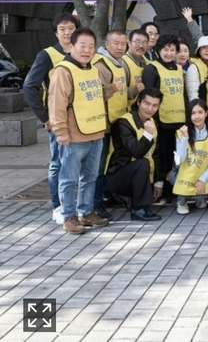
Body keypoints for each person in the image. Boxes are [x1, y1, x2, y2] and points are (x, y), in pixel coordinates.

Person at [48, 27, 109, 235]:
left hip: (95, 133)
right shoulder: (63, 71)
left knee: (90, 177)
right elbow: (56, 104)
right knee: (68, 179)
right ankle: (68, 216)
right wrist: (60, 132)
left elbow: (95, 96)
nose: (87, 50)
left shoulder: (92, 69)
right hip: (73, 136)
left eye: (91, 46)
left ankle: (85, 212)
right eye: (82, 45)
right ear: (71, 46)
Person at [24, 13, 80, 225]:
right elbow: (30, 87)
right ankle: (58, 206)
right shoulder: (47, 55)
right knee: (58, 163)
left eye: (71, 28)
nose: (67, 32)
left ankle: (78, 205)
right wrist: (45, 116)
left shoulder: (83, 53)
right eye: (63, 29)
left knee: (78, 165)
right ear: (56, 33)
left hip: (82, 120)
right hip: (58, 121)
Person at [106, 88, 163, 221]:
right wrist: (147, 134)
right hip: (117, 177)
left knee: (144, 164)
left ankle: (139, 202)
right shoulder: (124, 123)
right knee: (142, 162)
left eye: (155, 105)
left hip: (138, 176)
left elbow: (156, 154)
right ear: (138, 102)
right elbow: (136, 152)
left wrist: (158, 182)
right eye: (147, 103)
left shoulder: (153, 122)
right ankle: (138, 209)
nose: (150, 109)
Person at [142, 34, 187, 201]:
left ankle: (177, 188)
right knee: (163, 156)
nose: (169, 53)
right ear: (158, 50)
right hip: (162, 122)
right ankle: (163, 190)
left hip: (179, 122)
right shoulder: (152, 69)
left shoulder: (179, 69)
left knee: (179, 157)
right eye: (165, 49)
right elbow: (148, 96)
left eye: (172, 50)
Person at [92, 30, 131, 220]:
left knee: (109, 164)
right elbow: (93, 94)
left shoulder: (121, 63)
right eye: (116, 43)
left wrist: (134, 90)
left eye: (123, 43)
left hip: (118, 121)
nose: (119, 47)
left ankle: (106, 196)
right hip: (102, 124)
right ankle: (96, 204)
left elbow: (123, 92)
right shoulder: (98, 64)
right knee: (97, 167)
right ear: (106, 44)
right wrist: (111, 88)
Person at [173, 99, 208, 214]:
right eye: (193, 113)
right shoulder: (180, 133)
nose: (197, 116)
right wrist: (184, 138)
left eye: (200, 112)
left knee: (201, 204)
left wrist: (203, 179)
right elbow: (180, 159)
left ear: (206, 113)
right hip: (184, 173)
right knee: (175, 178)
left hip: (201, 173)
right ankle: (181, 200)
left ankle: (200, 197)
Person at [122, 29, 149, 110]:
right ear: (129, 43)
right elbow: (116, 92)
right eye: (137, 42)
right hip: (127, 112)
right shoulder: (122, 63)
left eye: (144, 42)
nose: (141, 46)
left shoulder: (148, 62)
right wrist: (134, 90)